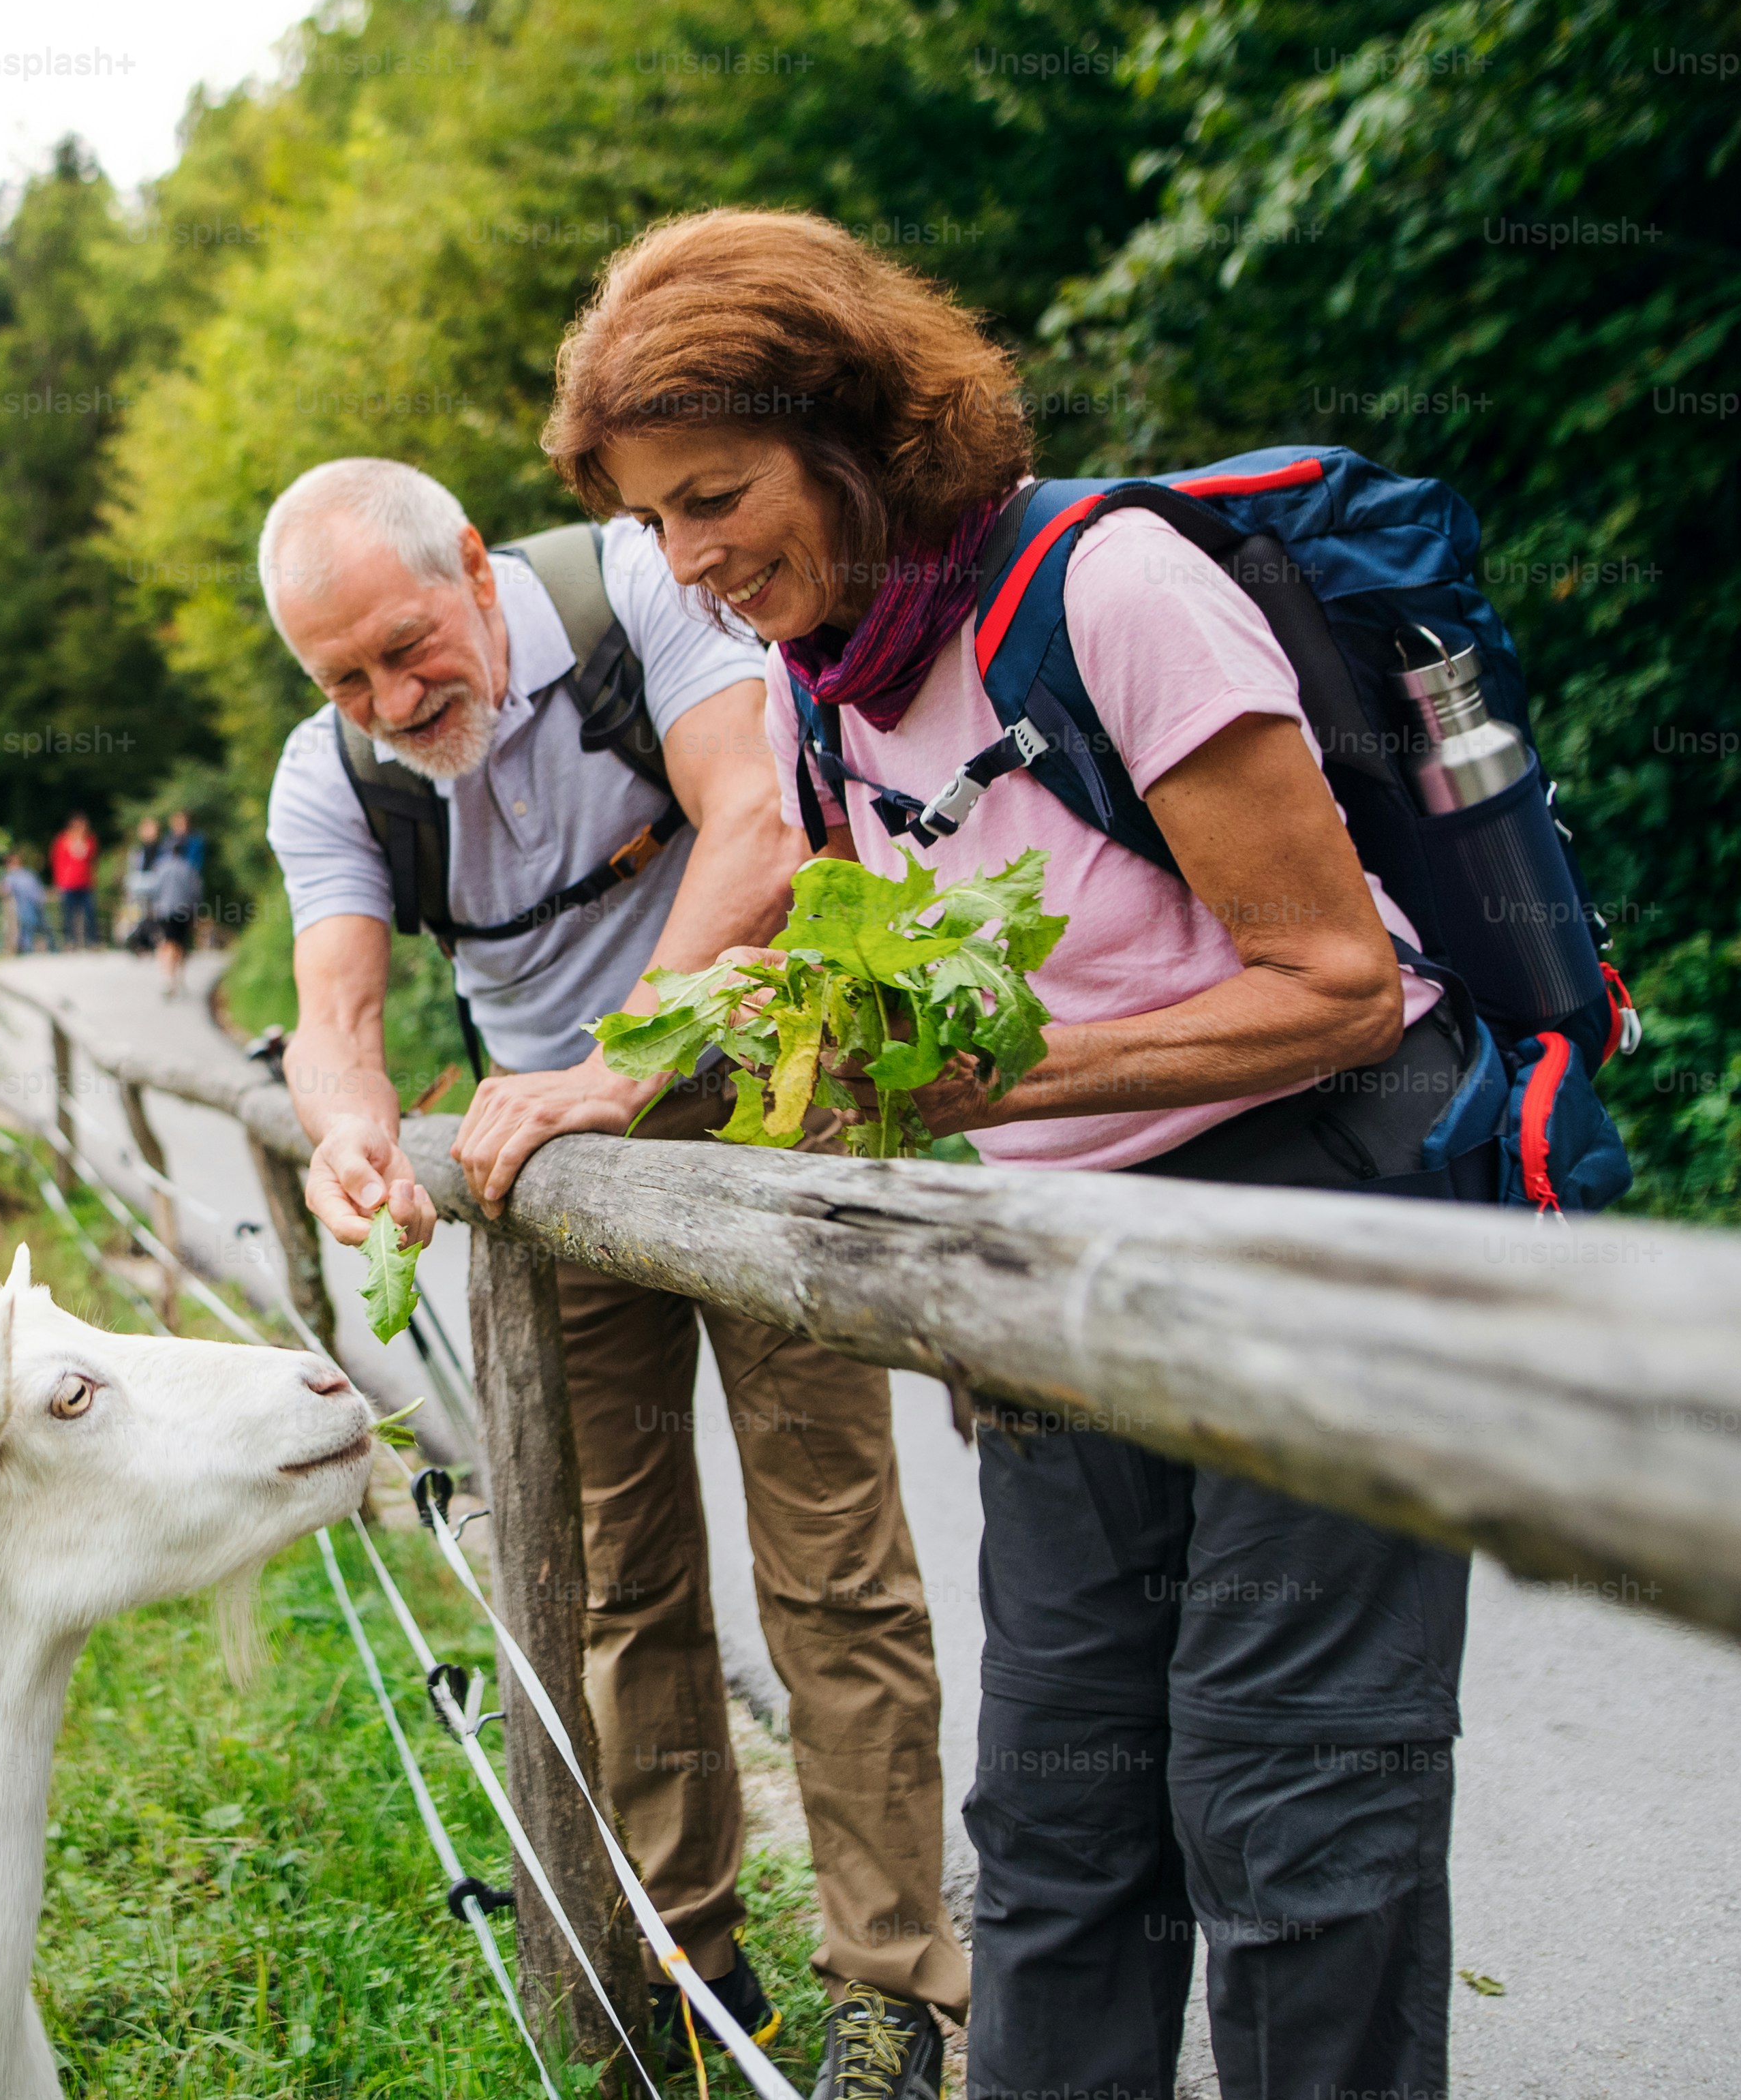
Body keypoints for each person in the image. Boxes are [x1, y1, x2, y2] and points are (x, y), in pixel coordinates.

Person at [544, 207, 1481, 2100]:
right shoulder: (844, 674)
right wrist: (616, 1075)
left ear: (858, 427)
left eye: (716, 494)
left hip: (1323, 1210)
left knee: (1291, 1808)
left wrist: (1003, 1087)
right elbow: (850, 972)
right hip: (1068, 1264)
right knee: (1057, 1827)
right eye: (652, 523)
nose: (692, 562)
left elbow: (1341, 985)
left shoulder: (1109, 592)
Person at [258, 455, 964, 2084]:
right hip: (550, 1160)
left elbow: (758, 825)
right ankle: (693, 1970)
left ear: (483, 574)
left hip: (756, 1088)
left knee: (833, 1559)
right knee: (617, 1575)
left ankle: (890, 1985)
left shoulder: (636, 593)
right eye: (342, 675)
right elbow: (339, 1018)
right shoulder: (332, 776)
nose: (388, 695)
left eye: (407, 644)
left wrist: (623, 1058)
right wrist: (353, 1132)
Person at [145, 820, 204, 998]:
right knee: (180, 945)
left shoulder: (161, 868)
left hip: (165, 911)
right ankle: (178, 979)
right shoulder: (189, 869)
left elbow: (154, 891)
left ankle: (168, 979)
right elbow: (196, 893)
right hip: (184, 911)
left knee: (168, 944)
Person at [48, 812, 100, 950]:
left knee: (90, 913)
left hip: (86, 883)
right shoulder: (63, 840)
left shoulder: (90, 840)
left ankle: (92, 941)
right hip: (68, 884)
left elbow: (93, 861)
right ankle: (70, 942)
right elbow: (57, 862)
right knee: (68, 915)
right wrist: (58, 881)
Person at [117, 813, 164, 948]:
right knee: (136, 916)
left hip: (155, 890)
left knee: (154, 917)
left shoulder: (162, 850)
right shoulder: (137, 851)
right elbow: (133, 870)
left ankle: (154, 940)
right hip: (138, 890)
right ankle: (139, 941)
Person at [0, 847, 50, 956]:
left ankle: (46, 948)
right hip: (23, 905)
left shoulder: (28, 874)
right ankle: (27, 949)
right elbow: (6, 891)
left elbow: (38, 889)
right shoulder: (11, 876)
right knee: (27, 927)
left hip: (33, 904)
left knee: (39, 926)